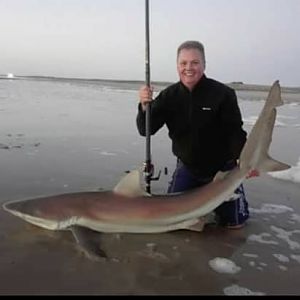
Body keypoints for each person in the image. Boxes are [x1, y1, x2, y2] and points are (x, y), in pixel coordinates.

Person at [136, 40, 251, 229]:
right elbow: (145, 130)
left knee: (234, 224)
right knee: (171, 220)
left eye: (195, 62)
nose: (188, 68)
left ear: (204, 65)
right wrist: (144, 106)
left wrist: (244, 160)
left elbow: (235, 132)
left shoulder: (223, 93)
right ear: (177, 66)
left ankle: (231, 204)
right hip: (188, 168)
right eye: (183, 63)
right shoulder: (169, 96)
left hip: (222, 170)